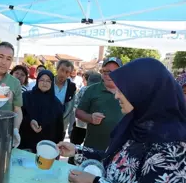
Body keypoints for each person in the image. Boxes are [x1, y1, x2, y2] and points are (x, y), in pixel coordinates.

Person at [58, 58, 186, 183]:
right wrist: (76, 151)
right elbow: (117, 159)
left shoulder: (171, 148)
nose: (116, 95)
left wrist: (95, 181)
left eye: (122, 90)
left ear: (144, 91)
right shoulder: (137, 124)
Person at [75, 57, 123, 151]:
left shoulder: (128, 91)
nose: (110, 75)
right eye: (106, 72)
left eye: (115, 72)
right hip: (93, 146)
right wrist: (90, 118)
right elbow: (78, 112)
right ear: (102, 73)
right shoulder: (91, 90)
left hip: (119, 149)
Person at [18, 70, 64, 153]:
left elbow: (59, 128)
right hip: (25, 142)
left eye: (48, 81)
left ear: (52, 83)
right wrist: (30, 121)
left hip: (46, 147)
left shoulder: (57, 104)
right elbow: (19, 114)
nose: (44, 83)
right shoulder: (26, 96)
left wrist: (57, 147)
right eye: (42, 80)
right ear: (37, 81)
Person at [54, 60, 76, 139]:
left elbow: (71, 109)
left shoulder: (72, 87)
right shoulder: (48, 82)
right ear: (57, 69)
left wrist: (70, 129)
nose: (63, 74)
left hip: (61, 126)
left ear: (70, 74)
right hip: (44, 124)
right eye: (62, 70)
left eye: (67, 72)